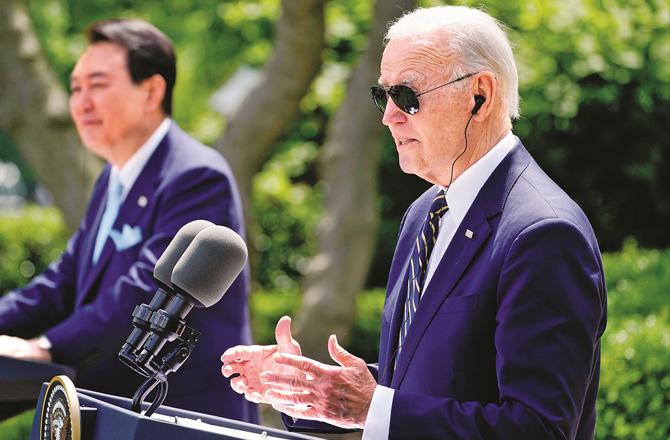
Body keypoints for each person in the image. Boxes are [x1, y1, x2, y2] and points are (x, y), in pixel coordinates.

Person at [221, 5, 607, 439]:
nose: (389, 116)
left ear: (479, 96)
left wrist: (373, 409)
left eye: (407, 96)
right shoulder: (426, 211)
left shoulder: (545, 233)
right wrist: (309, 387)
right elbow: (424, 376)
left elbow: (537, 429)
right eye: (381, 95)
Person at [0, 18, 258, 422]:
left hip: (180, 418)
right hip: (116, 412)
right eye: (75, 88)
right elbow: (62, 282)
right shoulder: (112, 178)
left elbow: (144, 293)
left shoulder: (195, 176)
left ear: (152, 90)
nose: (81, 102)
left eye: (98, 85)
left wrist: (46, 347)